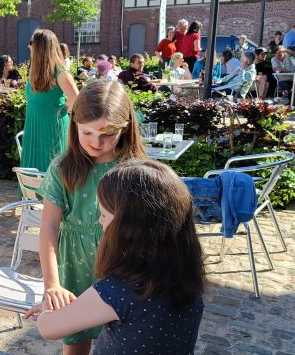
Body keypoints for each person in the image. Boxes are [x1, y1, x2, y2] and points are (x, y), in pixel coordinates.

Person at [28, 159, 205, 355]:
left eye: (103, 215)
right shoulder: (187, 280)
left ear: (128, 229)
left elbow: (48, 328)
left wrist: (46, 306)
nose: (99, 221)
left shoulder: (119, 290)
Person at [31, 80, 147, 355]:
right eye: (88, 132)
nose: (97, 142)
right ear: (74, 126)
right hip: (73, 267)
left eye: (108, 134)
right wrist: (52, 284)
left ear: (126, 126)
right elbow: (48, 227)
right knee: (75, 344)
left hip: (122, 266)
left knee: (121, 342)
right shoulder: (62, 168)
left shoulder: (135, 169)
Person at [21, 29, 79, 172]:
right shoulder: (35, 69)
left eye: (31, 43)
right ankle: (31, 193)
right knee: (34, 164)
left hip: (52, 126)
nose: (28, 46)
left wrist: (63, 109)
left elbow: (76, 98)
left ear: (40, 47)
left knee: (50, 165)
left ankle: (49, 194)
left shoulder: (60, 71)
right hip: (33, 125)